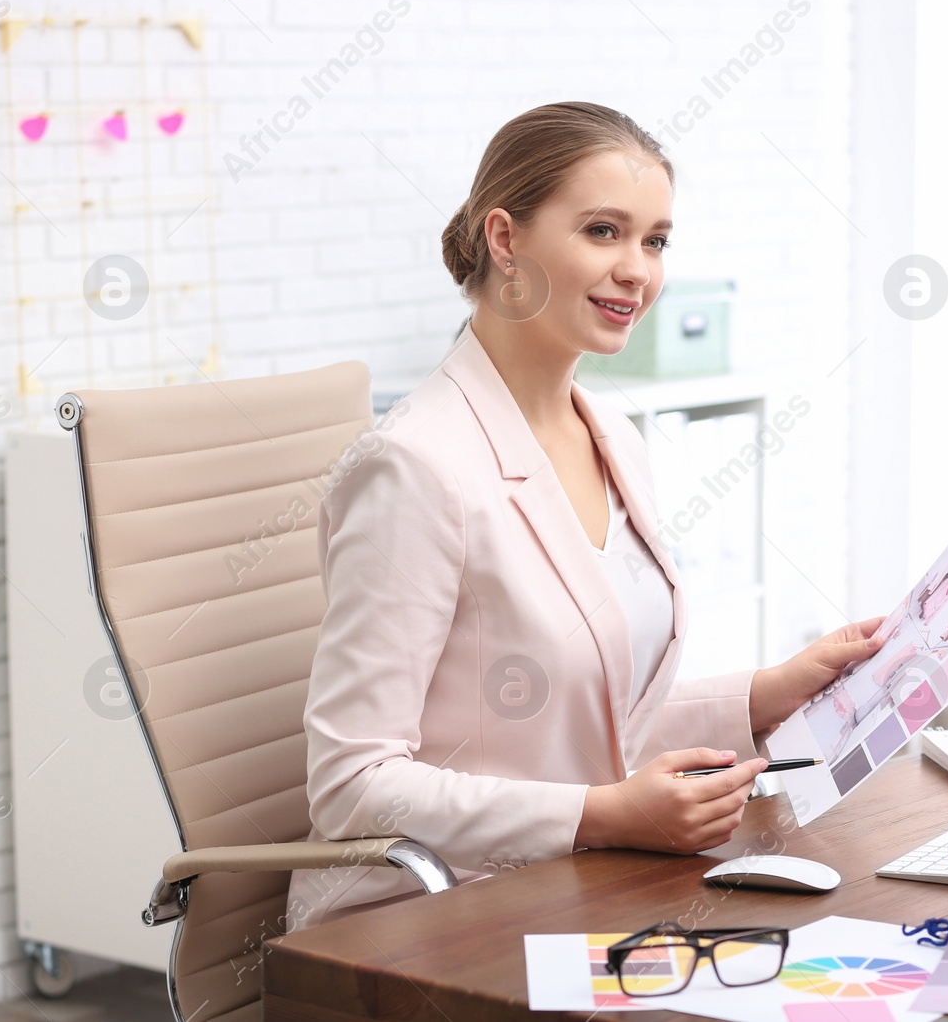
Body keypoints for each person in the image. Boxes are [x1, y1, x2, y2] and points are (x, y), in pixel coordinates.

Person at [285, 102, 883, 930]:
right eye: (604, 231)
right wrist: (601, 815)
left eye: (656, 239)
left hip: (572, 888)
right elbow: (354, 786)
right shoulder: (416, 466)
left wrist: (762, 698)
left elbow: (571, 718)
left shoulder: (610, 434)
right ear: (505, 240)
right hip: (425, 921)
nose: (638, 269)